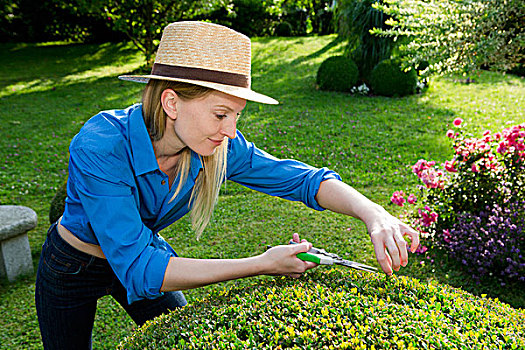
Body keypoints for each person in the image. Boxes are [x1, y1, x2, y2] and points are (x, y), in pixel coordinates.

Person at [35, 21, 419, 349]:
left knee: (183, 336)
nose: (231, 131)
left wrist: (374, 214)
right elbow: (140, 269)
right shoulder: (101, 145)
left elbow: (304, 180)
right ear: (172, 103)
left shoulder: (216, 147)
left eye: (236, 115)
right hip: (72, 266)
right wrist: (260, 264)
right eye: (221, 114)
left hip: (146, 251)